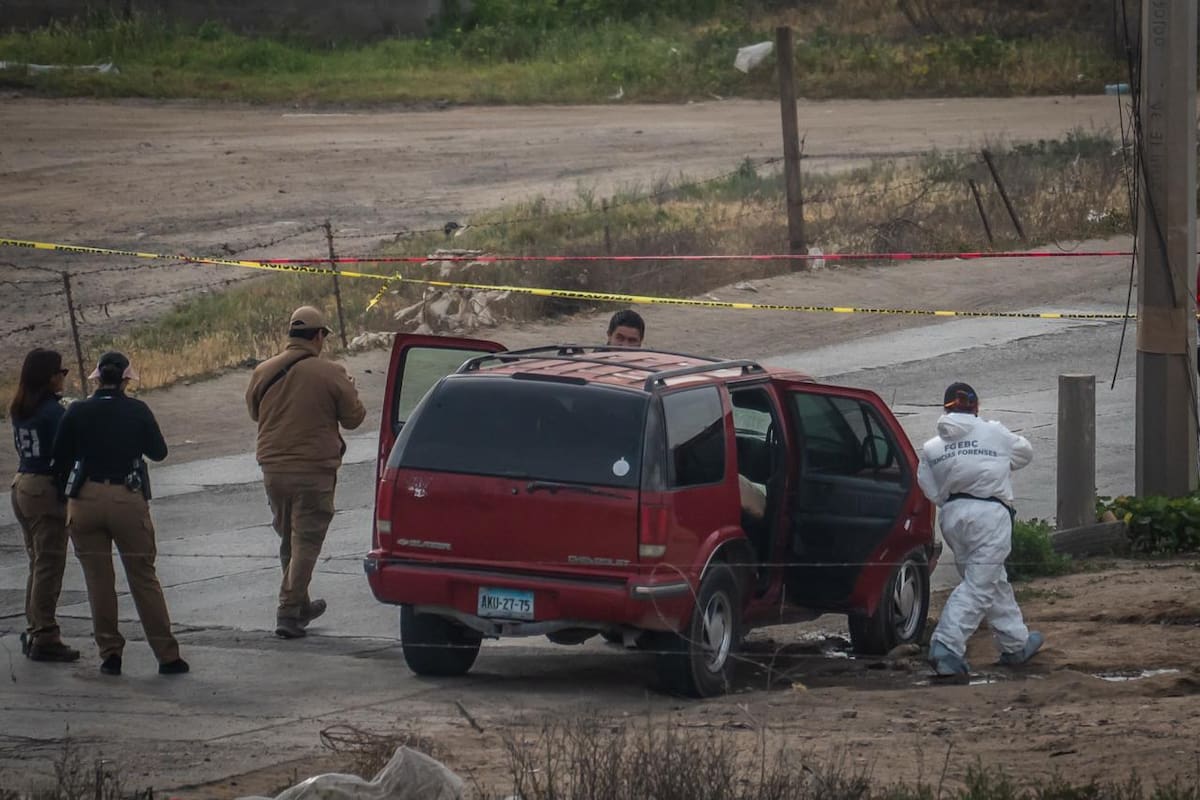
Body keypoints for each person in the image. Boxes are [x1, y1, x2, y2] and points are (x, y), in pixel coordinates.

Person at [52, 351, 187, 676]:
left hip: (85, 498)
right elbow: (159, 452)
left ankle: (110, 653)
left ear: (96, 378)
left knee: (98, 581)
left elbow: (59, 458)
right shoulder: (137, 410)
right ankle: (167, 655)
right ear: (126, 379)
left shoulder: (77, 411)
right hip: (127, 497)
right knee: (143, 577)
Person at [246, 306, 366, 639]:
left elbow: (255, 412)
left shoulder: (263, 370)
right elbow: (354, 418)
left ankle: (300, 604)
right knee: (308, 540)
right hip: (313, 469)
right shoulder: (331, 373)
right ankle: (287, 610)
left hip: (272, 468)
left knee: (289, 538)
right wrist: (349, 389)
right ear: (318, 336)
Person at [917, 382, 1042, 677]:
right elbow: (1025, 454)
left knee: (991, 580)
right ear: (976, 407)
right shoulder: (994, 432)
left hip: (953, 517)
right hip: (990, 516)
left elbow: (928, 488)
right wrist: (994, 464)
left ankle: (1015, 644)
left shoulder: (932, 448)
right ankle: (946, 645)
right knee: (978, 585)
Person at [10, 348, 79, 663]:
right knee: (49, 566)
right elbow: (68, 451)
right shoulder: (54, 412)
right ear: (49, 377)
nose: (63, 378)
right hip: (44, 490)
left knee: (37, 564)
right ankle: (45, 635)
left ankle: (34, 625)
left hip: (22, 483)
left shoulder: (21, 407)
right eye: (60, 373)